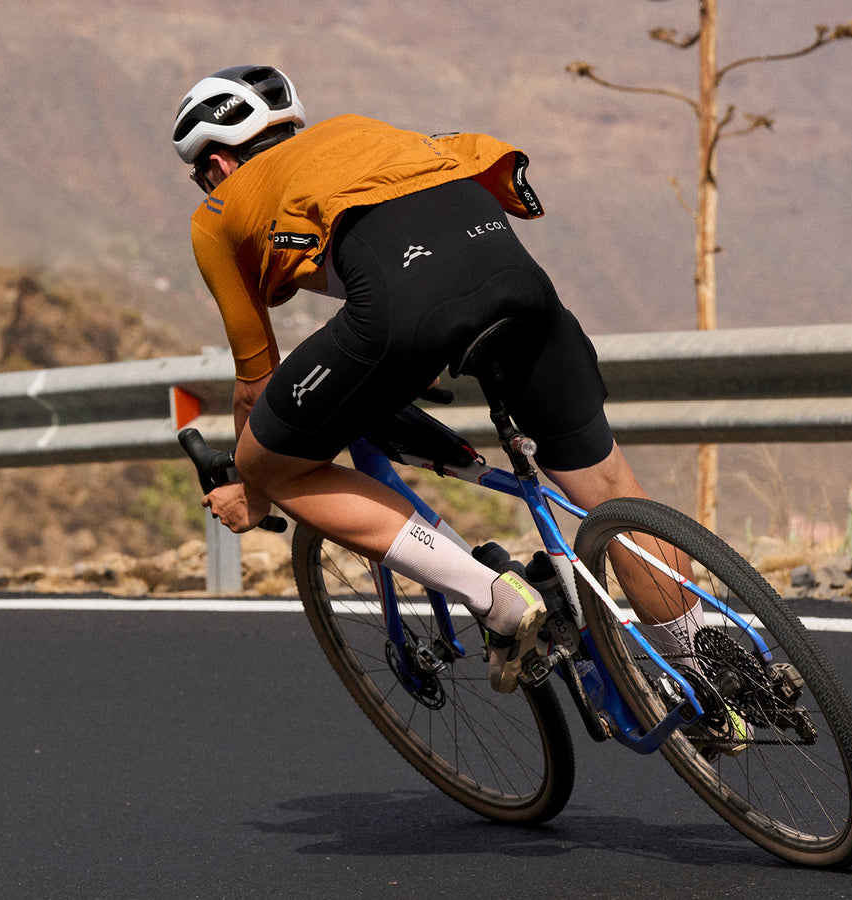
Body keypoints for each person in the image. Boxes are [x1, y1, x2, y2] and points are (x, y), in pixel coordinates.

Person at [172, 65, 704, 690]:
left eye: (200, 174)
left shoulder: (217, 211)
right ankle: (717, 675)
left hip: (403, 312)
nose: (204, 185)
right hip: (517, 278)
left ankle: (495, 598)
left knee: (270, 462)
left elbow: (255, 383)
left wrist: (252, 485)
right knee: (610, 489)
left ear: (218, 163)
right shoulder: (364, 134)